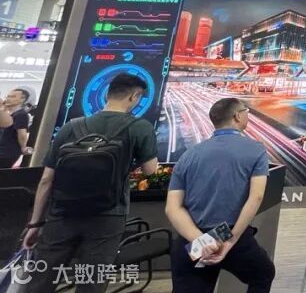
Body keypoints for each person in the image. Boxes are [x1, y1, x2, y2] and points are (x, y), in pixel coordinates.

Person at [23, 74, 158, 293]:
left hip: (62, 214)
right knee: (92, 280)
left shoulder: (70, 127)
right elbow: (150, 170)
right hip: (109, 215)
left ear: (107, 93)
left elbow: (47, 179)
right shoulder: (139, 127)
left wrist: (35, 223)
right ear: (134, 96)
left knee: (41, 279)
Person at [166, 98, 274, 292]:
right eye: (246, 111)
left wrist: (203, 241)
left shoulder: (189, 155)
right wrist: (231, 240)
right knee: (263, 274)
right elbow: (256, 197)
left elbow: (173, 208)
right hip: (227, 233)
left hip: (192, 237)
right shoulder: (256, 150)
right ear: (238, 116)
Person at [1, 87, 33, 168]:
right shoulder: (8, 113)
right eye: (8, 96)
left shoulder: (21, 114)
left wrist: (23, 147)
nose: (8, 99)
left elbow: (22, 134)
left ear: (22, 99)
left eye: (13, 97)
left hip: (7, 153)